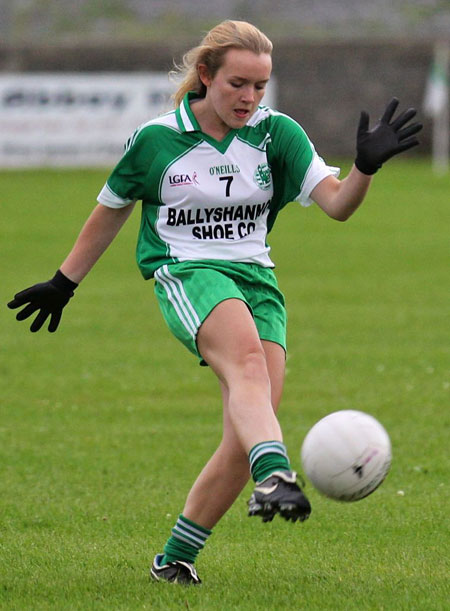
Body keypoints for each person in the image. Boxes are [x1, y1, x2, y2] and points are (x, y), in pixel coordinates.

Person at [7, 20, 422, 586]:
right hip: (187, 272)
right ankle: (275, 475)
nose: (249, 98)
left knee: (248, 427)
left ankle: (174, 559)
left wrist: (364, 169)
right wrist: (64, 281)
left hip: (257, 279)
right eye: (238, 84)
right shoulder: (157, 140)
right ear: (206, 76)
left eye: (260, 85)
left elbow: (338, 205)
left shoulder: (278, 135)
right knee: (250, 372)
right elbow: (112, 207)